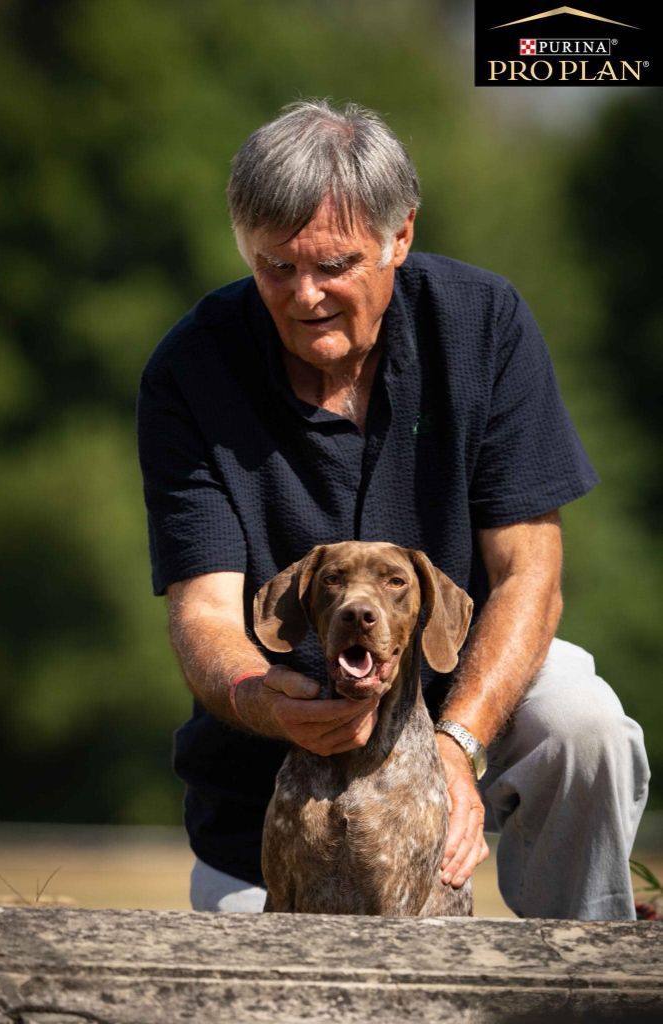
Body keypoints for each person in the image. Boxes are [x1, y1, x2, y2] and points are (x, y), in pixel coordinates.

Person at [137, 99, 649, 919]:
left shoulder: (484, 326)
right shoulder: (191, 370)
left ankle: (582, 973)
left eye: (334, 265)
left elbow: (529, 576)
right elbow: (202, 614)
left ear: (399, 237)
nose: (304, 296)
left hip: (457, 684)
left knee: (581, 722)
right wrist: (262, 700)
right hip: (269, 774)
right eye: (275, 268)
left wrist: (458, 743)